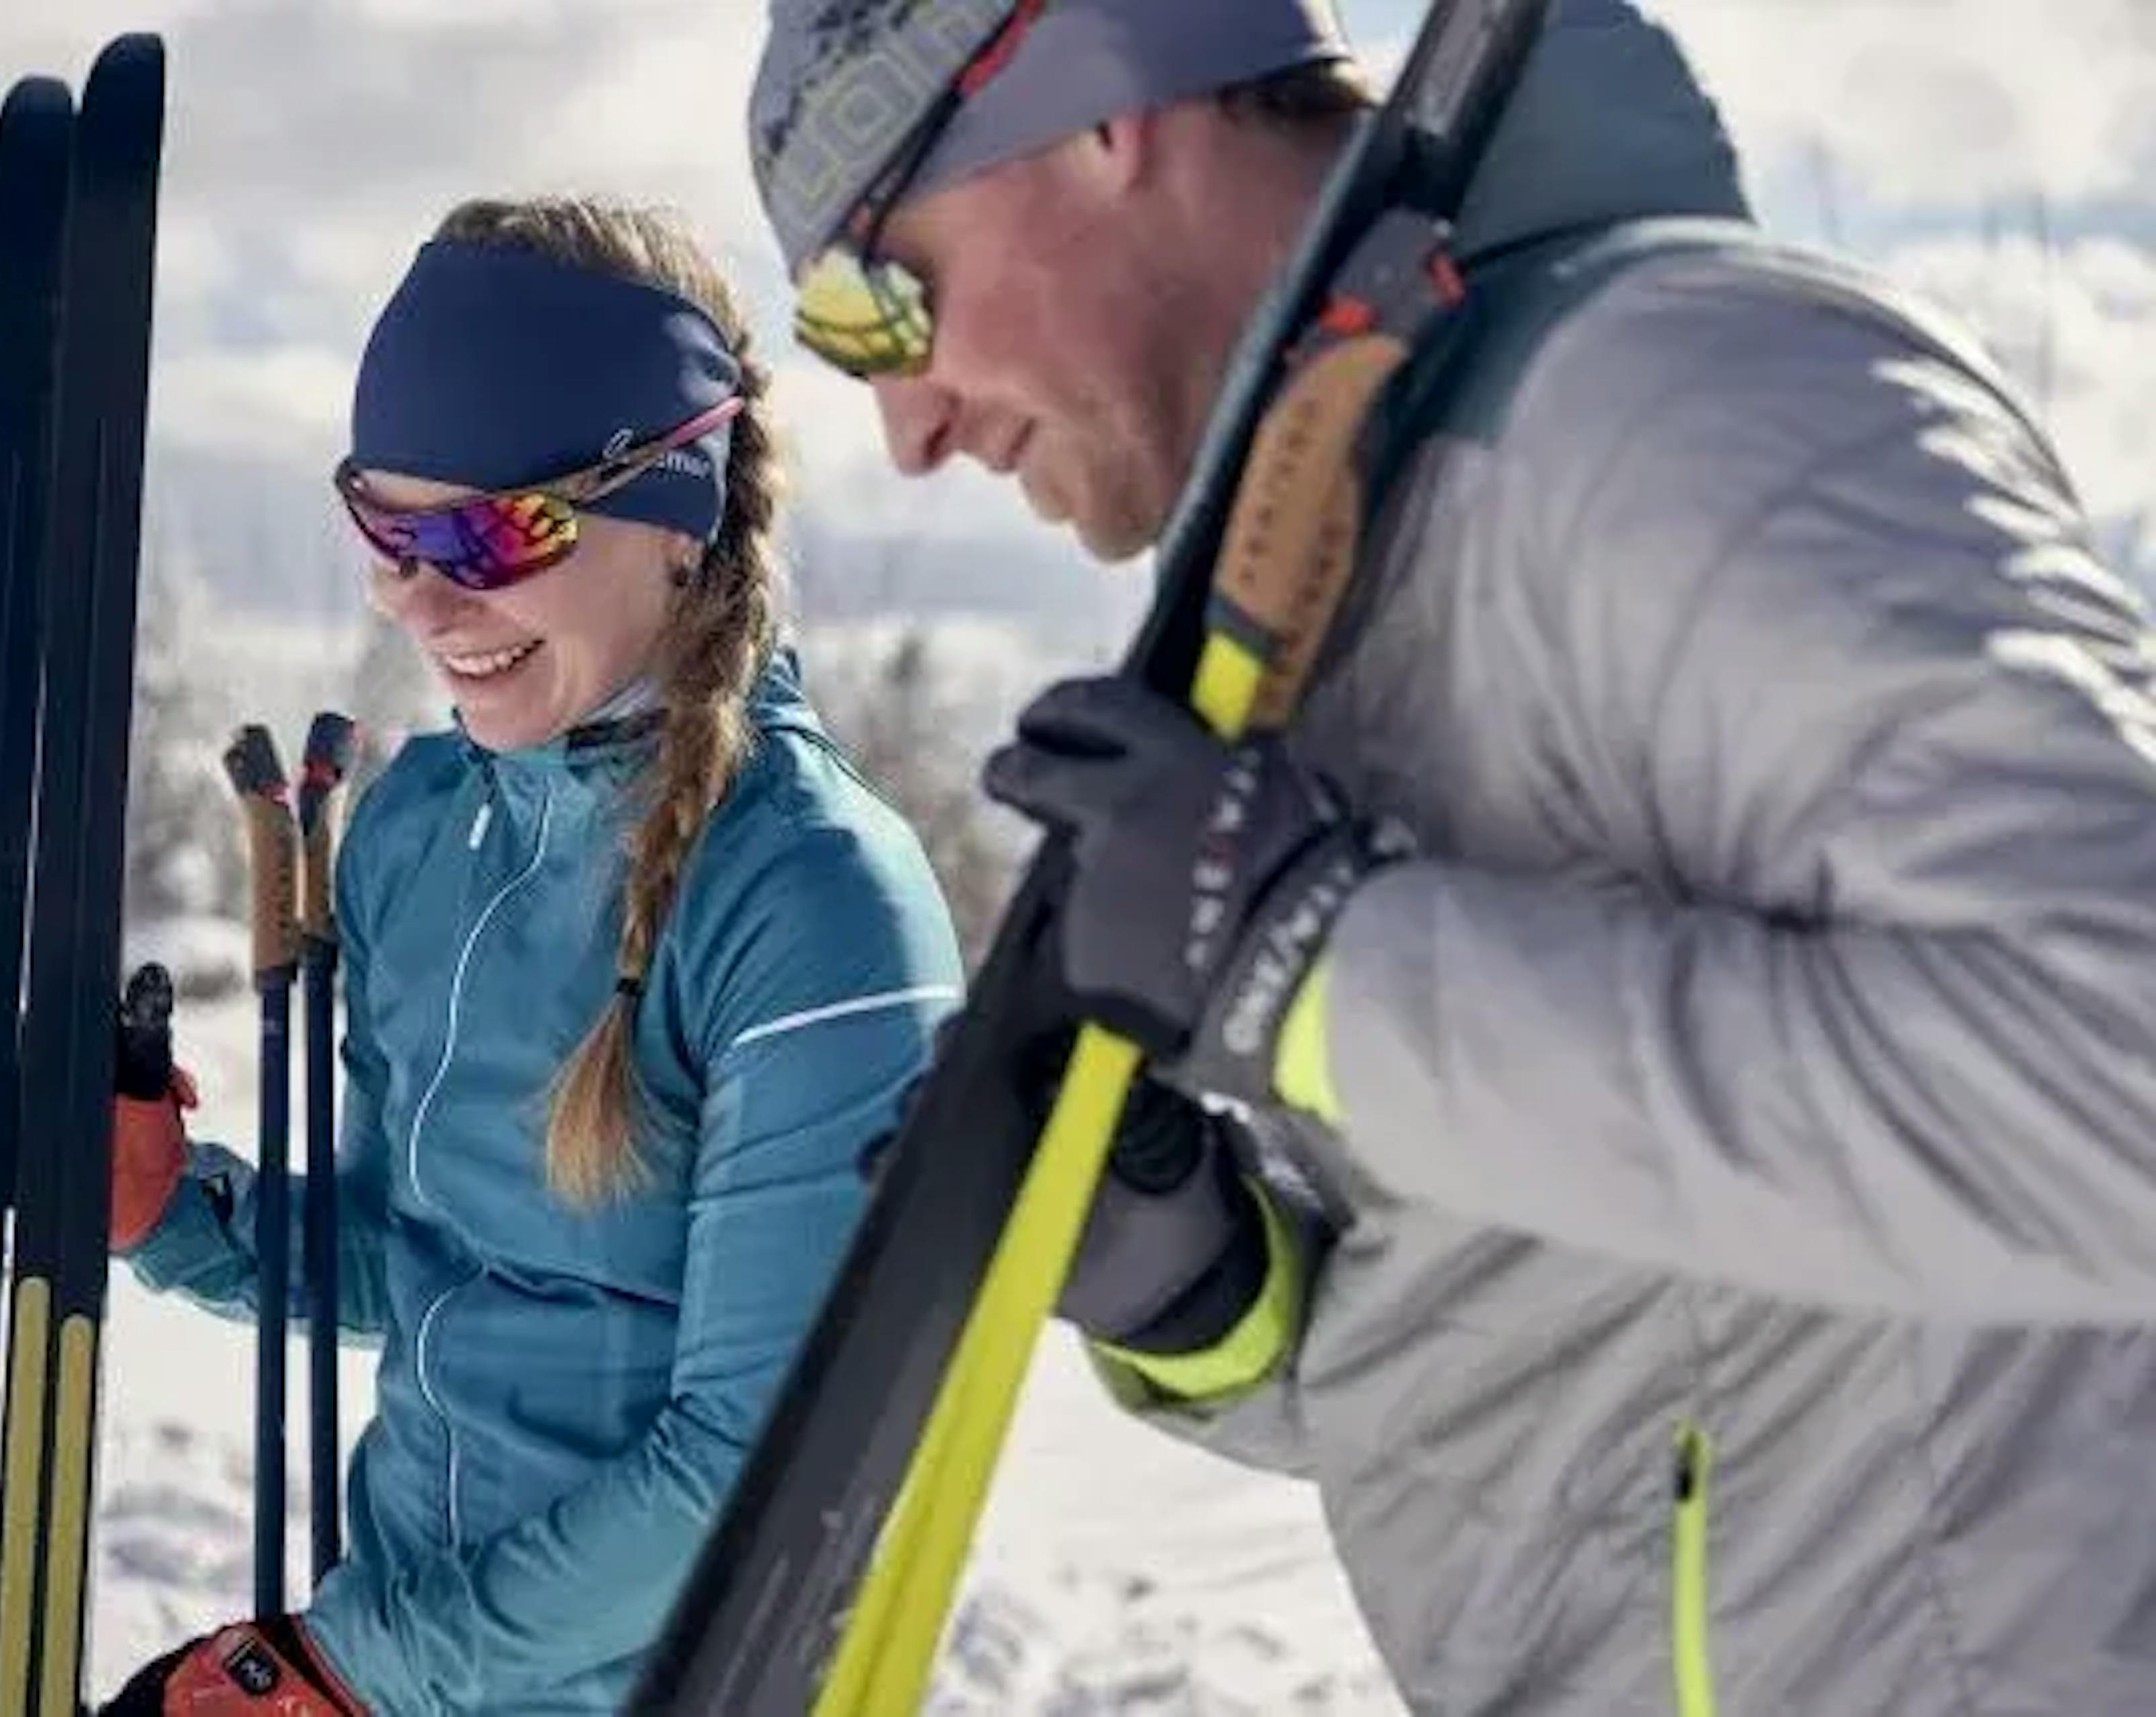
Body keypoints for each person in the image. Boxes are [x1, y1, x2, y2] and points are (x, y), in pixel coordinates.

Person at [747, 0, 2156, 1711]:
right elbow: (1602, 1345)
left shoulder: (1670, 401)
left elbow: (2116, 1073)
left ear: (1096, 117)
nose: (911, 430)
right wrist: (1215, 1290)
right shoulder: (1344, 565)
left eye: (882, 302)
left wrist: (1317, 967)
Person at [0, 192, 962, 1714]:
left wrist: (340, 1674)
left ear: (678, 506)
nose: (423, 601)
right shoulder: (423, 828)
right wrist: (173, 1208)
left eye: (494, 533)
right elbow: (414, 1259)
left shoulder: (817, 897)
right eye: (383, 527)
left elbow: (771, 1468)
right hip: (407, 1668)